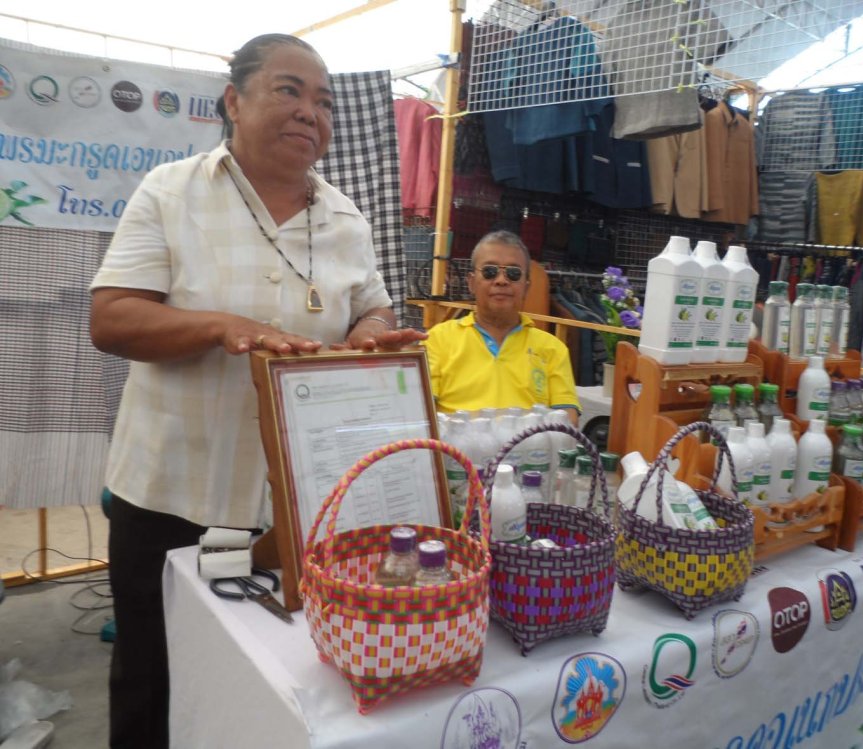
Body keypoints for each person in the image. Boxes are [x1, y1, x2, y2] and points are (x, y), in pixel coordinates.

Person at [89, 34, 423, 749]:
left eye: (323, 101)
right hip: (171, 494)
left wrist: (369, 334)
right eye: (288, 90)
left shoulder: (346, 217)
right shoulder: (171, 191)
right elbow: (111, 319)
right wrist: (220, 326)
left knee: (265, 686)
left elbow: (374, 305)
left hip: (293, 510)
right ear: (233, 102)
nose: (310, 112)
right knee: (150, 678)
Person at [424, 230, 580, 423]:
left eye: (513, 274)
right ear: (471, 283)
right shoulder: (437, 340)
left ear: (526, 287)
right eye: (490, 271)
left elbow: (568, 419)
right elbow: (421, 413)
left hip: (532, 443)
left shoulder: (553, 349)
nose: (501, 280)